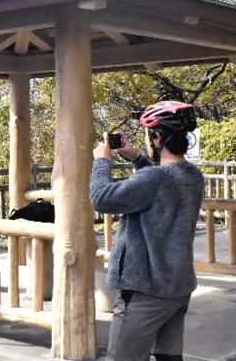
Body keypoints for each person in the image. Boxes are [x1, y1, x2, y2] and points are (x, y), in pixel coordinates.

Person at [89, 101, 205, 361]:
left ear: (158, 136)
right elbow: (161, 184)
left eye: (148, 136)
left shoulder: (155, 179)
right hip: (176, 288)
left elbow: (101, 198)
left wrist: (101, 162)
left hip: (144, 292)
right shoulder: (193, 176)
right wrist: (137, 158)